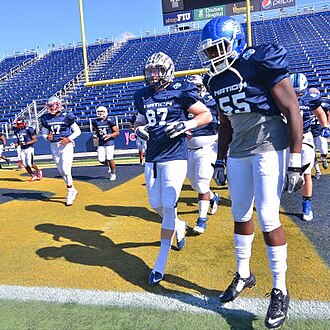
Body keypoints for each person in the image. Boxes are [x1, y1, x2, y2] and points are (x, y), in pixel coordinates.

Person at [198, 16, 304, 329]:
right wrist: (219, 159)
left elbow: (292, 108)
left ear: (236, 41)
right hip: (239, 152)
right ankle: (244, 273)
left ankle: (280, 289)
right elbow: (225, 122)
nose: (214, 55)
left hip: (269, 144)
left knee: (269, 217)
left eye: (219, 47)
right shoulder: (214, 79)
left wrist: (296, 157)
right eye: (209, 51)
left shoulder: (259, 61)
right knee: (240, 215)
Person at [134, 52, 212, 286]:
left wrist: (185, 124)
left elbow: (205, 114)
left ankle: (160, 262)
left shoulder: (181, 89)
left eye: (157, 70)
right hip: (152, 157)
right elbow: (138, 121)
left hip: (175, 156)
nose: (152, 75)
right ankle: (179, 226)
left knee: (168, 204)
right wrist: (139, 130)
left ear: (167, 70)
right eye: (150, 71)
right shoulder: (143, 95)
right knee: (155, 205)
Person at [289, 75, 329, 220]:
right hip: (285, 138)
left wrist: (325, 126)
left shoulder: (311, 98)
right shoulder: (281, 95)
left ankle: (307, 204)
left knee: (306, 172)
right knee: (278, 173)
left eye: (299, 92)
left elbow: (320, 113)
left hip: (305, 136)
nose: (296, 95)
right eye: (294, 92)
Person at [185, 74, 220, 234]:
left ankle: (202, 219)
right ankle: (213, 197)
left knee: (201, 183)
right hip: (188, 149)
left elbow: (220, 122)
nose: (194, 91)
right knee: (194, 184)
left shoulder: (212, 101)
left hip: (208, 146)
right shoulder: (184, 102)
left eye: (196, 88)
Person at [40, 96, 81, 206]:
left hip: (66, 145)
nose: (51, 108)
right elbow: (44, 134)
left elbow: (77, 131)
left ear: (58, 105)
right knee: (62, 171)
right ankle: (72, 189)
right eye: (49, 106)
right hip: (54, 146)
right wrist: (46, 137)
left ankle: (69, 193)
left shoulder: (66, 116)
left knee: (66, 170)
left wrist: (68, 138)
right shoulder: (45, 118)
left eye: (53, 106)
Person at [92, 106, 119, 181]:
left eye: (102, 111)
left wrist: (110, 135)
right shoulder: (95, 121)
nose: (100, 113)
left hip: (109, 142)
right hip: (101, 142)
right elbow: (97, 131)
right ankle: (109, 166)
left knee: (110, 158)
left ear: (105, 112)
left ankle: (113, 174)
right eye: (99, 112)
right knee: (101, 160)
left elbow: (117, 132)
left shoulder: (110, 120)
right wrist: (96, 135)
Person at [12, 117, 42, 182]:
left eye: (19, 124)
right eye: (17, 124)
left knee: (30, 164)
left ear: (23, 123)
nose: (17, 125)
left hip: (29, 148)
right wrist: (16, 144)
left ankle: (38, 171)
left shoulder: (29, 130)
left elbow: (35, 140)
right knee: (25, 164)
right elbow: (19, 140)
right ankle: (33, 176)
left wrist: (26, 143)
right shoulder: (16, 130)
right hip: (22, 149)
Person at [308, 88, 329, 179]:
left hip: (319, 131)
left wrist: (327, 125)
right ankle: (317, 171)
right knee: (311, 154)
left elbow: (328, 113)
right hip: (309, 132)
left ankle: (323, 159)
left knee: (324, 151)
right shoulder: (304, 104)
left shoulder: (323, 104)